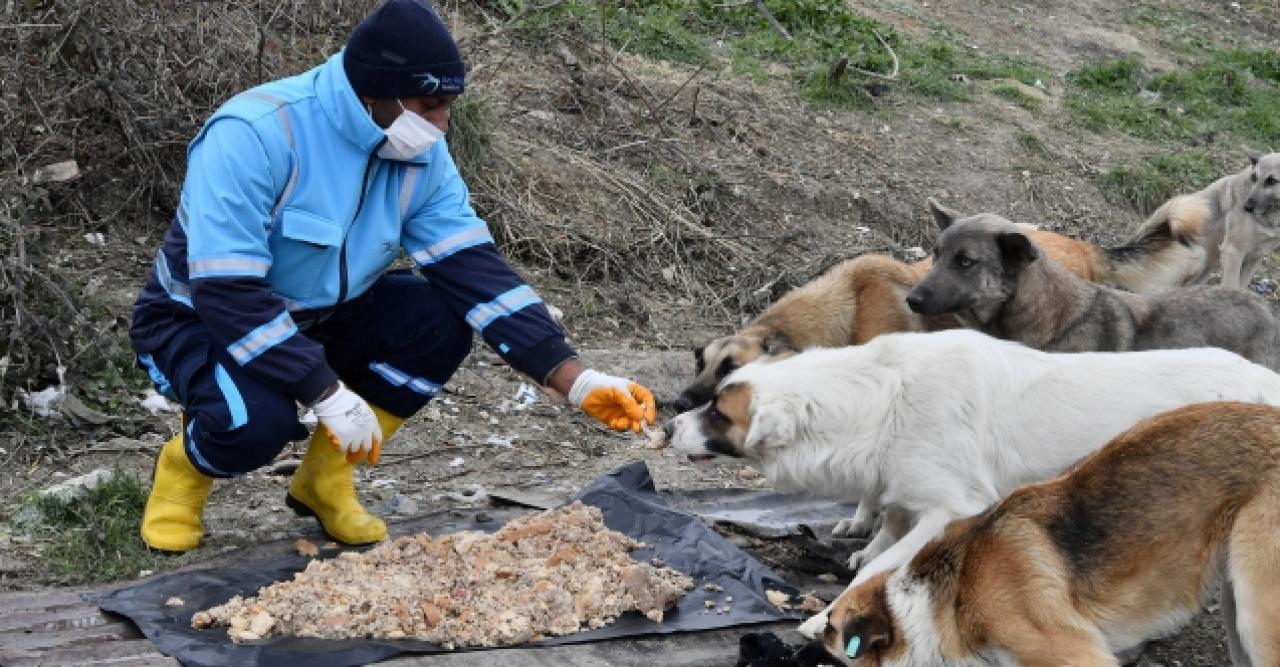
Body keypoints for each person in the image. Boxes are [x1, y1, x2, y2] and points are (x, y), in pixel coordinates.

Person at [129, 0, 657, 552]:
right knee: (254, 428)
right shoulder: (254, 133)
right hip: (200, 320)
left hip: (323, 315)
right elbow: (228, 293)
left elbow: (473, 270)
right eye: (428, 106)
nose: (441, 125)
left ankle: (324, 480)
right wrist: (325, 392)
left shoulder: (422, 154)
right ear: (371, 93)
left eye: (448, 106)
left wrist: (574, 378)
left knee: (439, 320)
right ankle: (184, 471)